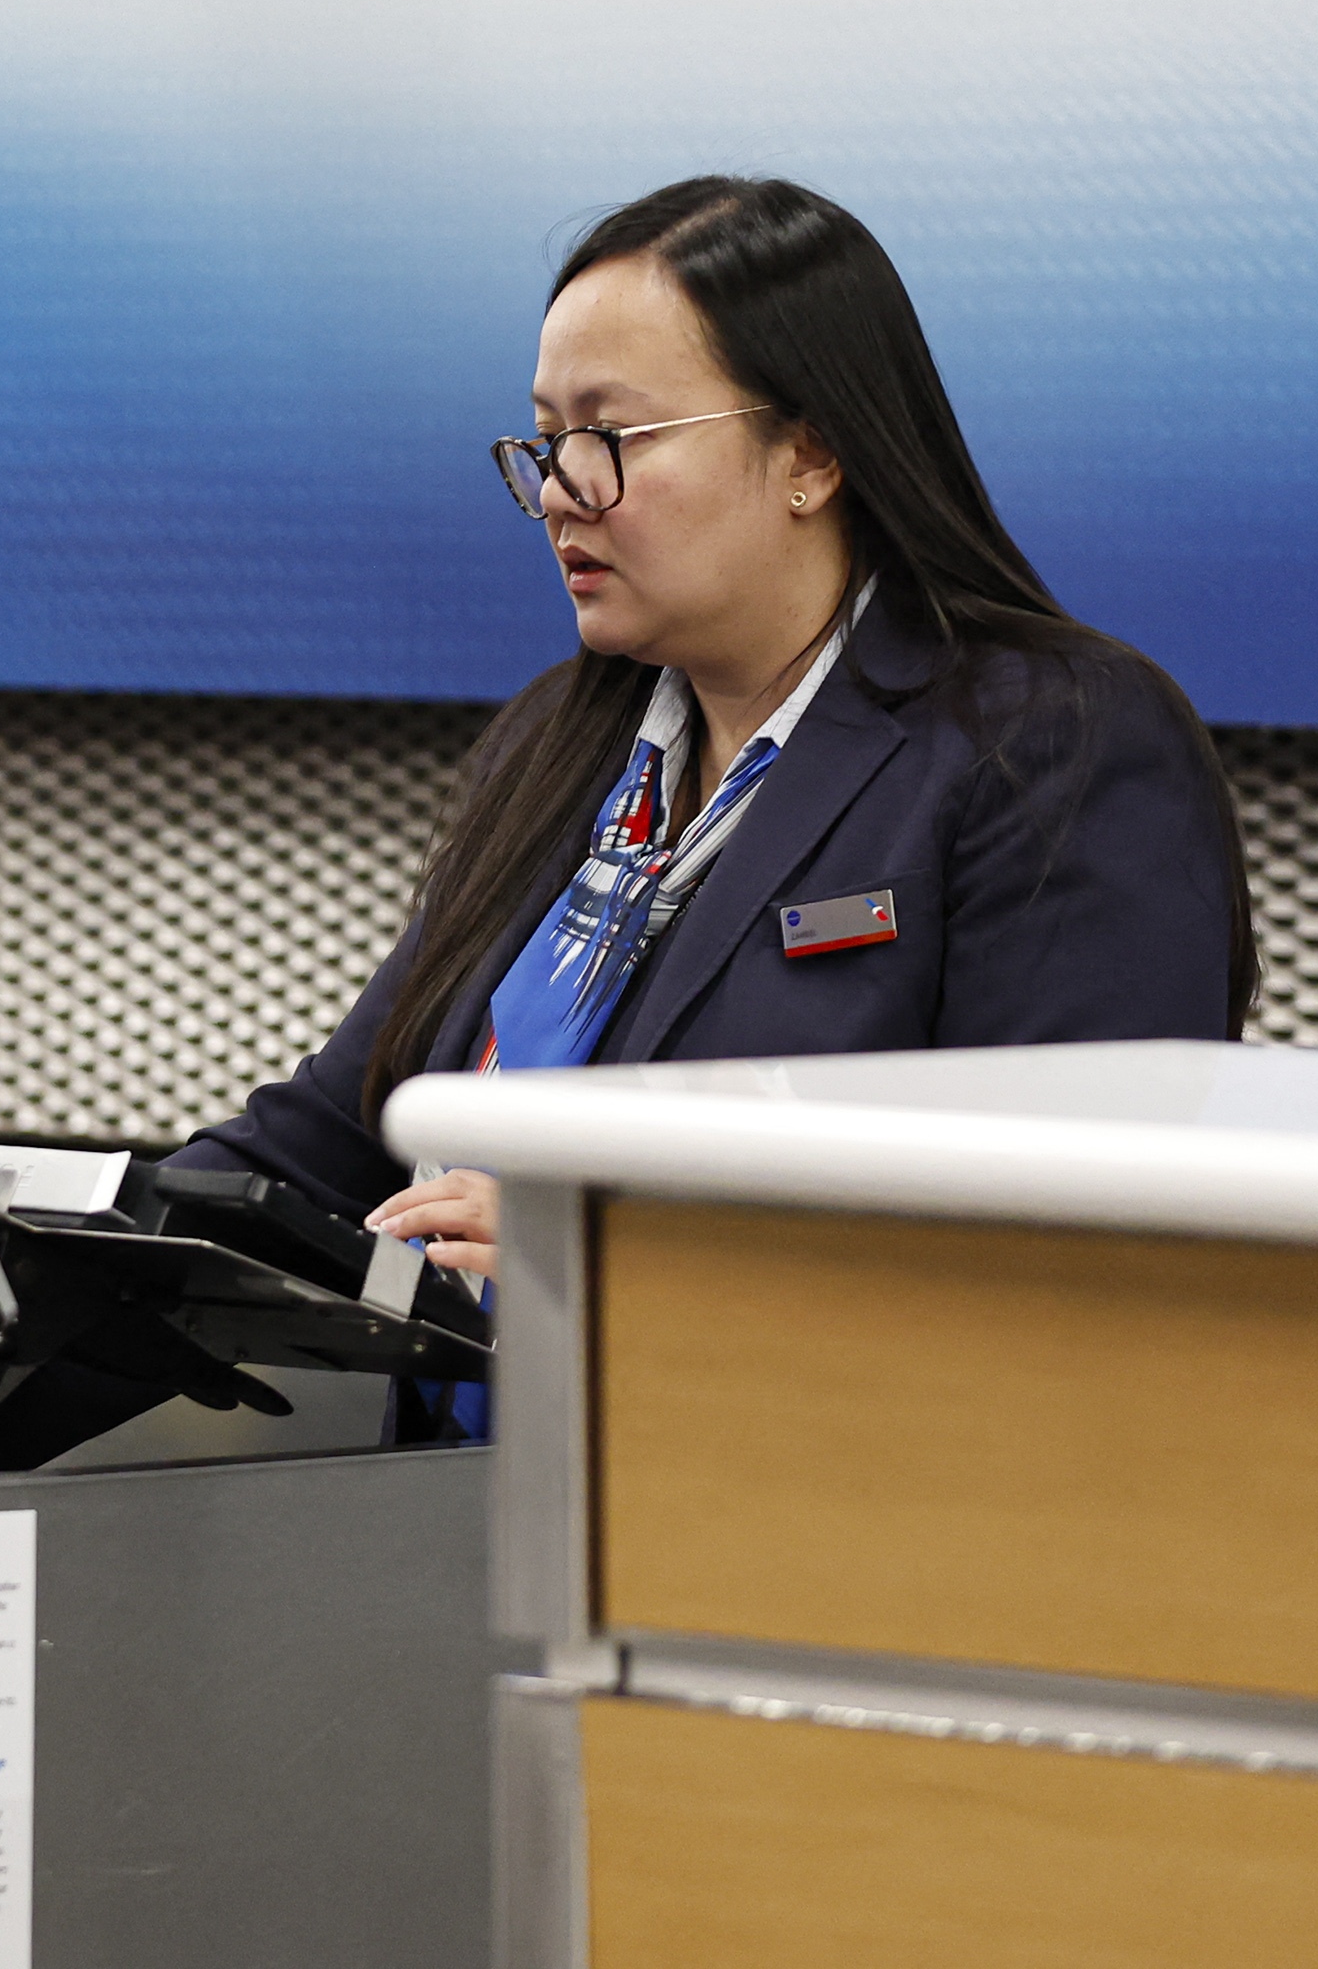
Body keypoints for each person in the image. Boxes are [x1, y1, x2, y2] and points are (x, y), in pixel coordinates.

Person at [177, 174, 1249, 1367]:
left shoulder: (1051, 743)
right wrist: (38, 1242)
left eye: (611, 439)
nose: (557, 493)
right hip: (450, 1500)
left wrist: (611, 1274)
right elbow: (335, 1135)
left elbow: (1077, 1251)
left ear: (811, 452)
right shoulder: (558, 740)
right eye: (544, 441)